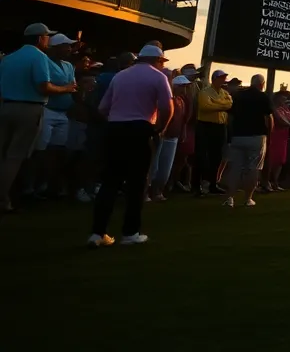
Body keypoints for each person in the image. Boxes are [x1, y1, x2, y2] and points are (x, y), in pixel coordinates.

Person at [88, 44, 173, 246]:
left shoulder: (120, 76)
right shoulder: (158, 77)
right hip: (141, 128)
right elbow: (166, 108)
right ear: (158, 60)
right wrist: (159, 128)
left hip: (115, 128)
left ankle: (97, 233)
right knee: (137, 183)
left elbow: (102, 108)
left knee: (110, 181)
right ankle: (130, 232)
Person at [0, 24, 77, 212]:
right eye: (46, 36)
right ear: (40, 39)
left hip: (6, 106)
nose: (48, 40)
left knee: (2, 153)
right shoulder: (39, 57)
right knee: (14, 156)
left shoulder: (9, 58)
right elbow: (44, 87)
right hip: (29, 108)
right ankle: (3, 200)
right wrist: (66, 89)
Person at [33, 33, 79, 198]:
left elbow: (72, 86)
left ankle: (50, 185)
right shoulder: (43, 61)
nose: (69, 48)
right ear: (55, 47)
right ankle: (35, 184)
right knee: (41, 149)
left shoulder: (68, 65)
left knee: (58, 150)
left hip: (64, 112)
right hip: (47, 110)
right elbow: (47, 85)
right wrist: (64, 88)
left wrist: (64, 88)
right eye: (65, 46)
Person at [226, 74, 273, 207]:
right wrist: (269, 134)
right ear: (261, 84)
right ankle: (248, 198)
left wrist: (231, 133)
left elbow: (230, 117)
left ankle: (230, 198)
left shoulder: (238, 96)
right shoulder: (263, 97)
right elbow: (268, 118)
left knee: (235, 168)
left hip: (238, 136)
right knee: (253, 168)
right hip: (256, 136)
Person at [148, 75, 190, 202]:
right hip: (162, 135)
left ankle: (158, 191)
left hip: (173, 137)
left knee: (165, 168)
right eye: (181, 86)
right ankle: (148, 192)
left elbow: (182, 120)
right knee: (154, 167)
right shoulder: (167, 99)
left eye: (185, 86)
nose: (183, 89)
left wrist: (183, 132)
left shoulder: (181, 101)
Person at [193, 69, 233, 196]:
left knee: (217, 157)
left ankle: (212, 185)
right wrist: (222, 105)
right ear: (214, 79)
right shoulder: (204, 92)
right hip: (205, 126)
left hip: (220, 127)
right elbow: (206, 106)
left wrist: (216, 104)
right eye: (221, 78)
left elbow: (230, 104)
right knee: (201, 156)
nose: (223, 80)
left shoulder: (224, 93)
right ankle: (196, 186)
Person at [263, 89, 290, 192]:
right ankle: (267, 182)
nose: (284, 98)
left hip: (284, 137)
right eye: (283, 96)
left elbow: (289, 118)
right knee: (272, 159)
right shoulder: (274, 108)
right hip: (275, 136)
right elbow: (281, 120)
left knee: (281, 160)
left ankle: (275, 182)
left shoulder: (285, 108)